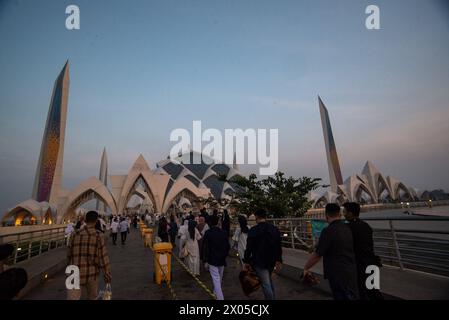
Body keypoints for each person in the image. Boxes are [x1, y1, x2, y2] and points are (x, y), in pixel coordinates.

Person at [303, 203, 359, 300]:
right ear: (339, 214)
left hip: (337, 273)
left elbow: (318, 254)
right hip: (351, 269)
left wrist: (306, 268)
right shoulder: (347, 227)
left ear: (326, 215)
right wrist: (315, 245)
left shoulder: (328, 230)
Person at [343, 202, 384, 300]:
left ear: (350, 213)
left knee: (360, 292)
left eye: (345, 211)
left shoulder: (348, 228)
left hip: (359, 265)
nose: (343, 214)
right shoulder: (366, 225)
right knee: (374, 292)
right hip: (372, 262)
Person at [67, 210, 111, 300]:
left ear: (85, 220)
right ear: (96, 221)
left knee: (72, 298)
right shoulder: (99, 235)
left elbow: (69, 254)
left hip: (74, 272)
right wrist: (107, 274)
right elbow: (103, 257)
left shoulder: (74, 234)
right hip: (92, 273)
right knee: (92, 297)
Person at [243, 209, 282, 300]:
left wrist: (246, 260)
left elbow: (249, 248)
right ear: (266, 217)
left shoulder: (253, 230)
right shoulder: (274, 229)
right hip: (271, 260)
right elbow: (278, 246)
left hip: (259, 261)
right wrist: (279, 260)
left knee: (266, 284)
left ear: (256, 217)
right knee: (269, 281)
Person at [202, 215, 230, 300]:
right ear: (218, 222)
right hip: (221, 259)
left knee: (216, 279)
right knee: (219, 278)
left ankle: (220, 297)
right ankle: (215, 293)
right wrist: (224, 255)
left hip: (212, 259)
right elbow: (228, 246)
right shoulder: (224, 232)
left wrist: (205, 260)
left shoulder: (208, 233)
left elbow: (205, 247)